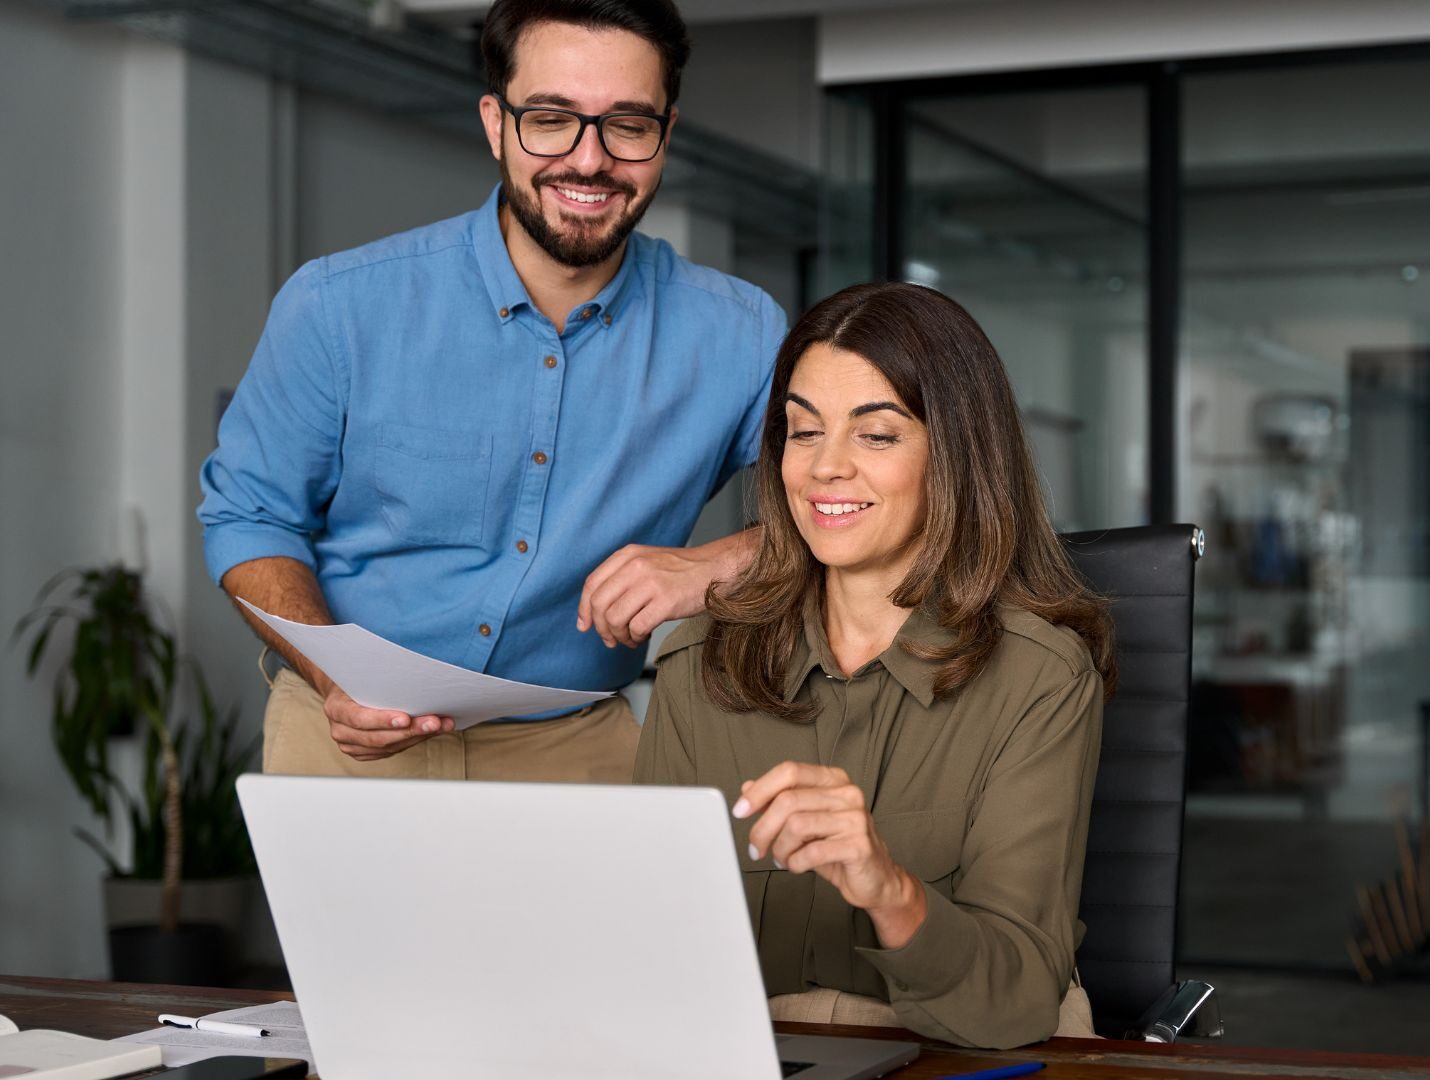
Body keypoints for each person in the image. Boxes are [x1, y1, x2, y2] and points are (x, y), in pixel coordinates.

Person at [197, 0, 783, 781]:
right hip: (344, 735)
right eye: (551, 119)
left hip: (578, 745)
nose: (589, 160)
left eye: (628, 124)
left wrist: (718, 563)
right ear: (495, 124)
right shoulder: (338, 306)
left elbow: (860, 511)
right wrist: (333, 672)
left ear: (665, 134)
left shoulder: (742, 335)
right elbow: (250, 517)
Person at [633, 282, 1117, 1048]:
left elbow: (1019, 998)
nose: (825, 467)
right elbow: (648, 956)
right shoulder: (700, 662)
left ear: (955, 455)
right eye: (803, 431)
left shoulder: (1040, 678)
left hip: (955, 1054)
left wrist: (890, 890)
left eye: (877, 435)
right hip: (748, 1049)